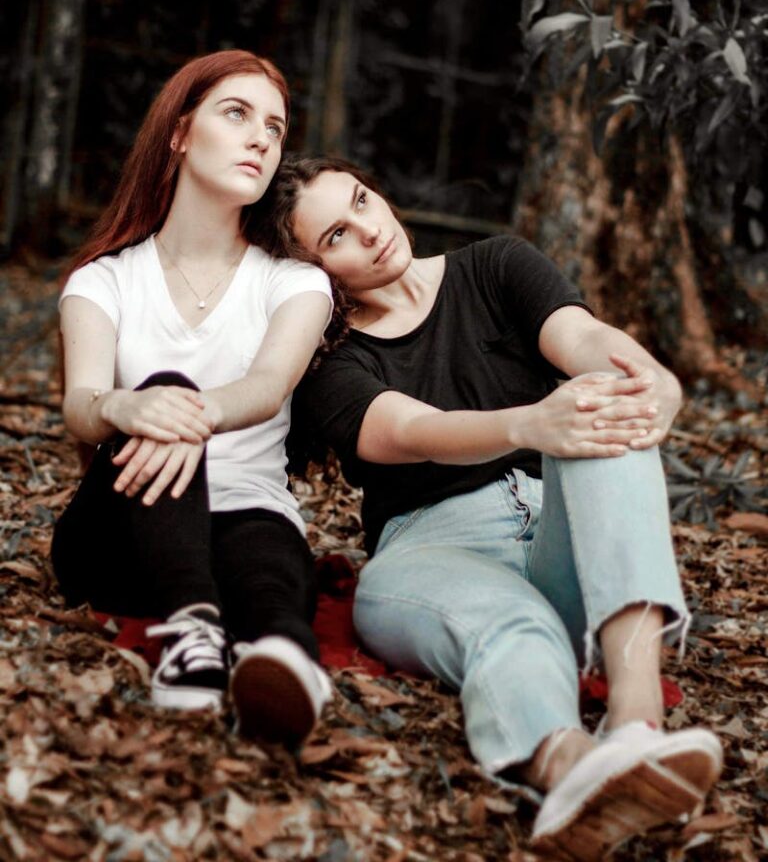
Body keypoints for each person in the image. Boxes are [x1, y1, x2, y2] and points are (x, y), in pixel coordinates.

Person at [258, 154, 723, 860]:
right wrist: (528, 424)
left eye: (361, 200)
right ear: (312, 271)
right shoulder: (330, 360)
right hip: (432, 554)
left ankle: (637, 730)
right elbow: (411, 431)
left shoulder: (496, 266)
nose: (370, 229)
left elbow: (583, 339)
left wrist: (651, 378)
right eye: (336, 236)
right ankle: (570, 773)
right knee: (512, 624)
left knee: (603, 407)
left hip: (567, 540)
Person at [51, 52, 335, 747]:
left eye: (275, 128)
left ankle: (286, 664)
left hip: (247, 520)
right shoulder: (105, 280)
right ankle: (195, 626)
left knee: (271, 577)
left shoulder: (295, 282)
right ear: (179, 133)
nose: (261, 138)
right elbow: (81, 402)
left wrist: (192, 413)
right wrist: (122, 407)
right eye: (237, 114)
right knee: (164, 391)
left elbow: (268, 387)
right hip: (119, 531)